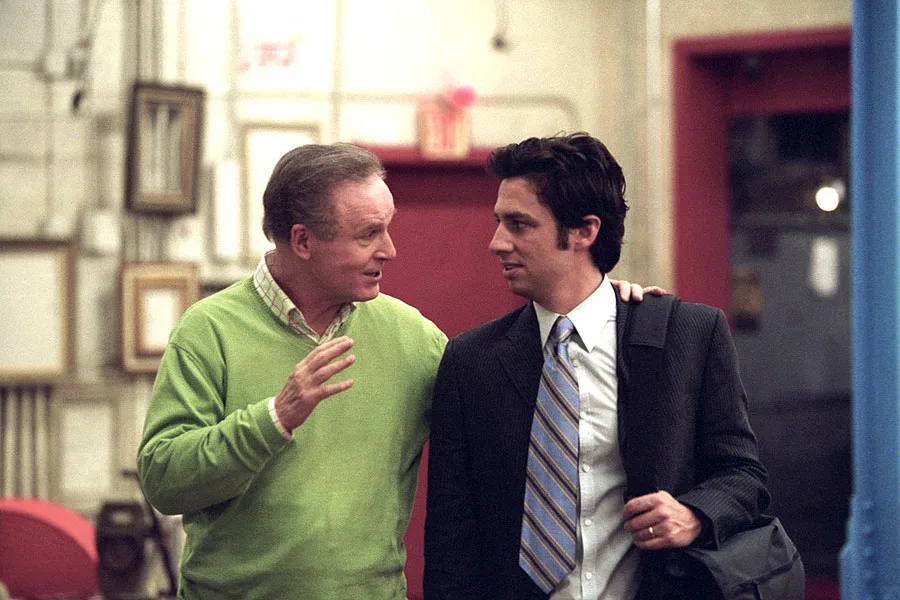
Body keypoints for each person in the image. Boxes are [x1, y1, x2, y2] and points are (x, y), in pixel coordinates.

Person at [136, 142, 652, 600]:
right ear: (303, 241)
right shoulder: (209, 330)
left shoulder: (414, 338)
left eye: (387, 228)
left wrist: (601, 305)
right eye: (369, 235)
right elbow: (164, 481)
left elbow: (526, 407)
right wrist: (274, 418)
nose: (389, 249)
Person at [423, 133, 770, 600]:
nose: (496, 242)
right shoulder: (471, 361)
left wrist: (694, 516)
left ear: (585, 231)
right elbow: (451, 539)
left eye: (519, 224)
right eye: (498, 222)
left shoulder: (686, 335)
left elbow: (743, 476)